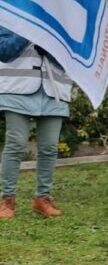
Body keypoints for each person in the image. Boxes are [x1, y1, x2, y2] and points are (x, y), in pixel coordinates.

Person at [0, 27, 72, 219]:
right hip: (16, 89)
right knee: (16, 143)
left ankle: (43, 198)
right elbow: (4, 51)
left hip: (54, 89)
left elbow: (71, 59)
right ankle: (7, 199)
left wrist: (48, 47)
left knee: (49, 146)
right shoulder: (8, 15)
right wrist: (30, 30)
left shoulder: (62, 18)